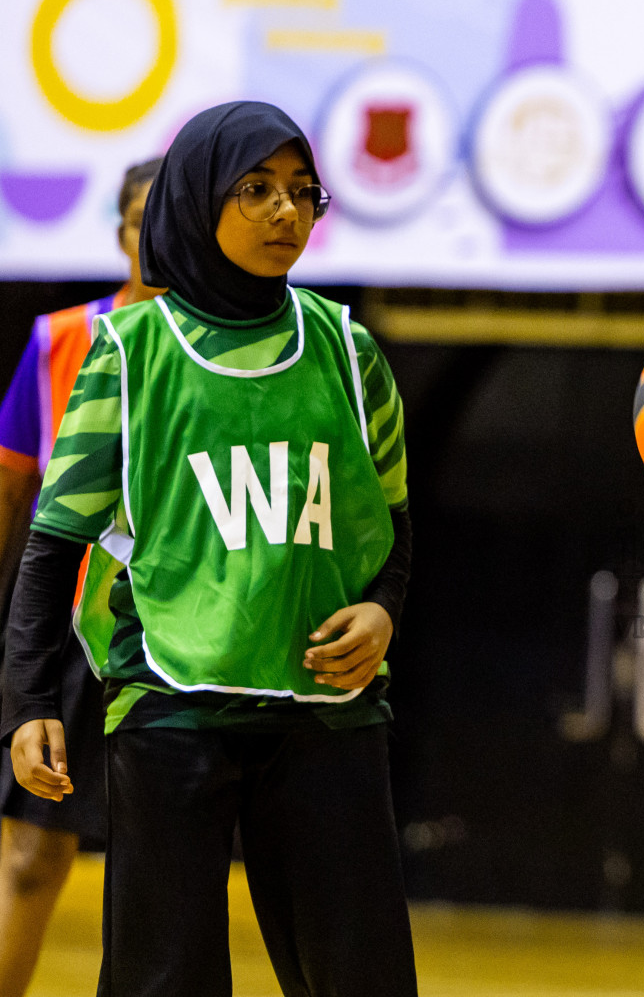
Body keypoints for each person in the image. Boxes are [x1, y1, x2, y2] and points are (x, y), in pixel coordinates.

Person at [0, 101, 417, 997]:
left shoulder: (348, 349)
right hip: (171, 709)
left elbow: (394, 526)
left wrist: (383, 607)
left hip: (328, 712)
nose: (286, 212)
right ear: (194, 201)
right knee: (165, 981)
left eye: (304, 193)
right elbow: (53, 543)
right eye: (257, 189)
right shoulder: (126, 351)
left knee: (363, 979)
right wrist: (26, 696)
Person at [0, 156, 163, 997]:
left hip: (183, 634)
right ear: (120, 231)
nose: (157, 237)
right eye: (144, 219)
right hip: (75, 628)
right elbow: (11, 483)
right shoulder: (62, 340)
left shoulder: (242, 345)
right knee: (31, 856)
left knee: (168, 868)